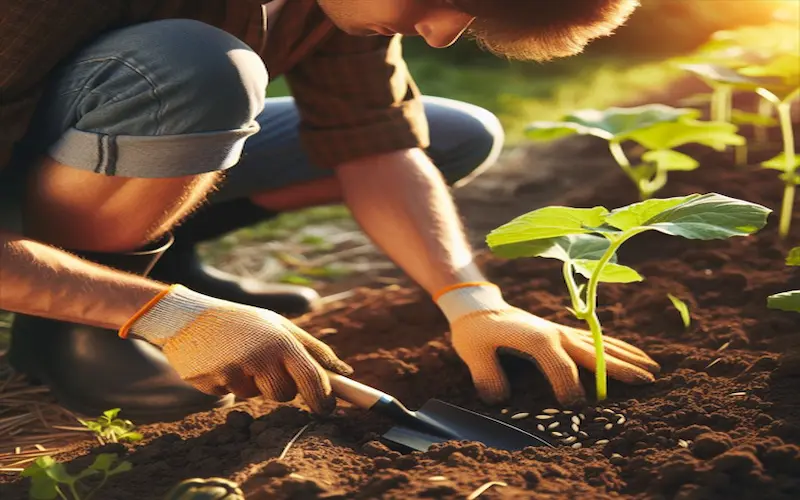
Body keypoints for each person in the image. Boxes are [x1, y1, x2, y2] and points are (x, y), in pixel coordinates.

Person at [0, 0, 660, 423]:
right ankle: (75, 327)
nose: (440, 31)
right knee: (193, 70)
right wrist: (164, 315)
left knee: (452, 133)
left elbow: (377, 146)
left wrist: (472, 301)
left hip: (69, 159)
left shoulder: (338, 8)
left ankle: (164, 256)